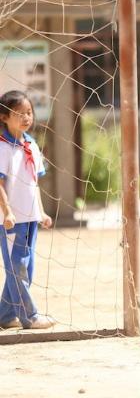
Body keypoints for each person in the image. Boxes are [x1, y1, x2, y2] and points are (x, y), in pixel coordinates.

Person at [0, 90, 55, 330]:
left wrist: (41, 212)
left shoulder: (30, 143)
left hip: (31, 217)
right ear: (3, 117)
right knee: (18, 268)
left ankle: (4, 315)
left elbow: (34, 183)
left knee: (25, 267)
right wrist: (7, 212)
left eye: (29, 113)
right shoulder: (2, 147)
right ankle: (29, 316)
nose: (26, 117)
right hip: (11, 220)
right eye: (19, 114)